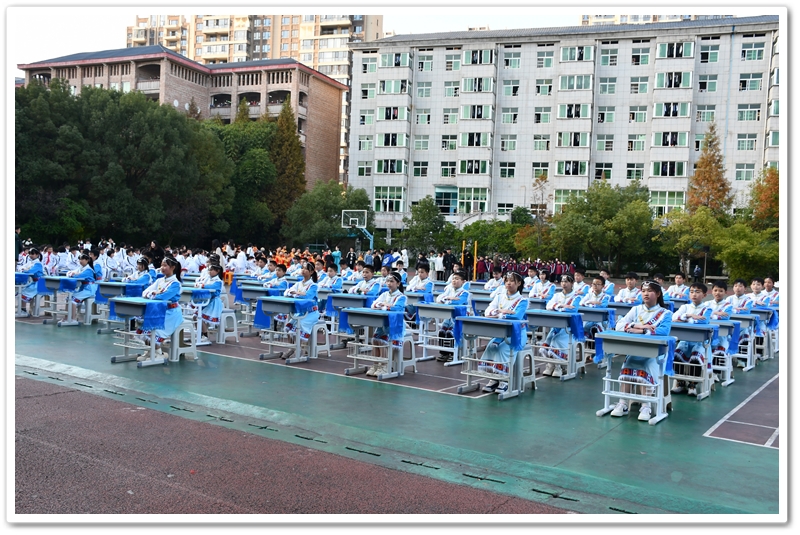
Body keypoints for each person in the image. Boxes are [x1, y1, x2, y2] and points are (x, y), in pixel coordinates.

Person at [610, 281, 673, 422]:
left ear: (658, 294)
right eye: (643, 291)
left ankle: (646, 405)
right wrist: (637, 325)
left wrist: (642, 331)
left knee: (647, 365)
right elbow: (619, 325)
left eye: (649, 291)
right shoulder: (636, 309)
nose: (646, 294)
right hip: (635, 350)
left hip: (655, 353)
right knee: (627, 365)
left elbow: (664, 331)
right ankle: (623, 403)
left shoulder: (665, 313)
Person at [479, 272, 528, 394]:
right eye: (506, 281)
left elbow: (516, 317)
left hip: (517, 335)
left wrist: (498, 313)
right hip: (501, 333)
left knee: (502, 349)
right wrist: (502, 311)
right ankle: (494, 378)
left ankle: (504, 380)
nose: (508, 283)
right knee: (491, 346)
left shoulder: (523, 300)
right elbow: (487, 311)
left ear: (519, 283)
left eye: (512, 281)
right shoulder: (499, 296)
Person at [136, 257, 184, 361]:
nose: (162, 268)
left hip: (171, 313)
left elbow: (163, 297)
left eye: (165, 265)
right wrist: (153, 293)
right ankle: (152, 352)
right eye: (161, 265)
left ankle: (158, 353)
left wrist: (154, 294)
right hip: (158, 311)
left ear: (173, 267)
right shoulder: (159, 280)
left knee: (155, 331)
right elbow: (145, 292)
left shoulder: (175, 284)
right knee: (145, 327)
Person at [670, 283, 713, 396]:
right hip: (685, 340)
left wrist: (684, 318)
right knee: (676, 355)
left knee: (695, 358)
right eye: (692, 292)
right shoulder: (685, 307)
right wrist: (691, 316)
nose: (694, 294)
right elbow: (674, 317)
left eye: (697, 292)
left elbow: (703, 321)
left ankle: (693, 384)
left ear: (704, 295)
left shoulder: (707, 308)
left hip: (700, 342)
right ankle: (680, 382)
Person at [540, 274, 584, 377]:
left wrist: (556, 307)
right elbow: (548, 305)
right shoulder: (557, 295)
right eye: (562, 281)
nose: (564, 284)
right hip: (556, 326)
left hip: (569, 328)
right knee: (548, 340)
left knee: (556, 340)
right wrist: (561, 305)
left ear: (572, 283)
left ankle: (558, 366)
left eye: (566, 281)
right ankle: (551, 364)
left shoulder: (576, 297)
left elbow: (572, 309)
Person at [366, 272, 408, 376]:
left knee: (383, 341)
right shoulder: (384, 294)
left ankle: (385, 366)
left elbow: (396, 308)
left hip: (395, 326)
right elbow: (373, 305)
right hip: (384, 323)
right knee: (375, 339)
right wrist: (386, 305)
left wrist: (384, 306)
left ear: (398, 283)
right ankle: (376, 365)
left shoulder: (401, 297)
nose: (389, 283)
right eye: (388, 281)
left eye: (392, 281)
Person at [281, 262, 320, 361]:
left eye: (306, 269)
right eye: (302, 268)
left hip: (311, 313)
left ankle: (301, 350)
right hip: (300, 312)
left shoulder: (313, 286)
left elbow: (307, 296)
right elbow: (287, 292)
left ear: (311, 272)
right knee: (288, 326)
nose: (303, 270)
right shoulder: (298, 283)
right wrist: (297, 293)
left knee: (300, 325)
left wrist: (295, 293)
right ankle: (292, 348)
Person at [434, 269, 472, 362]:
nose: (454, 280)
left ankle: (454, 353)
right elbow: (439, 299)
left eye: (457, 279)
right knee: (442, 332)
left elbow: (458, 302)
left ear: (463, 282)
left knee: (450, 333)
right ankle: (444, 353)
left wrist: (448, 299)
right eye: (453, 278)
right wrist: (450, 298)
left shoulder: (465, 293)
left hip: (460, 317)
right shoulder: (449, 290)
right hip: (449, 316)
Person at [706, 281, 735, 382]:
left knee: (721, 347)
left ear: (725, 292)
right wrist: (717, 313)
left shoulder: (728, 305)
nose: (717, 293)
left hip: (722, 335)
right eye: (715, 290)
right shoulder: (707, 303)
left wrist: (711, 314)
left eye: (721, 291)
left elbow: (725, 317)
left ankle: (715, 372)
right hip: (708, 334)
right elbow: (704, 315)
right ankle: (706, 370)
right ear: (712, 291)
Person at [193, 264, 224, 344]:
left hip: (213, 302)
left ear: (217, 271)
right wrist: (199, 283)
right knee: (195, 316)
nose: (209, 272)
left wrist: (202, 285)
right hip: (205, 300)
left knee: (200, 317)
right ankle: (200, 334)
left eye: (211, 270)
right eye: (209, 270)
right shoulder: (208, 278)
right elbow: (201, 282)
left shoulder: (218, 281)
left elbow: (211, 287)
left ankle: (205, 335)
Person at [66, 253, 98, 321]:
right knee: (68, 298)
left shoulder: (88, 270)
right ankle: (66, 317)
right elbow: (72, 272)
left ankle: (73, 318)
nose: (80, 261)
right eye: (79, 259)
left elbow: (78, 276)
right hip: (83, 288)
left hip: (89, 289)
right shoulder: (81, 268)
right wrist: (71, 273)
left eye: (82, 259)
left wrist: (73, 274)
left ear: (87, 260)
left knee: (73, 299)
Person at [17, 247, 44, 315]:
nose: (31, 255)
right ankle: (23, 309)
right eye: (30, 254)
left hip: (40, 283)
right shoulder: (30, 262)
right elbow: (21, 267)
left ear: (37, 255)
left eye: (33, 254)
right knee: (21, 290)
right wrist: (23, 269)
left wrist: (24, 270)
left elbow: (31, 271)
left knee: (24, 292)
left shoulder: (38, 263)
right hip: (34, 282)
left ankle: (23, 309)